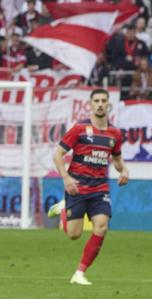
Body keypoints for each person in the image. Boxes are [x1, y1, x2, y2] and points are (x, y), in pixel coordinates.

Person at [47, 89, 129, 286]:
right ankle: (63, 209)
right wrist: (66, 178)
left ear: (108, 104)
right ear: (90, 104)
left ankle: (79, 273)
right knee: (74, 235)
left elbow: (117, 160)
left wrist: (124, 170)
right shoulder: (79, 129)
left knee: (102, 227)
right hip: (77, 187)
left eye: (103, 101)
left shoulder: (114, 133)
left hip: (100, 189)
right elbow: (57, 154)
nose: (100, 104)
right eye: (96, 101)